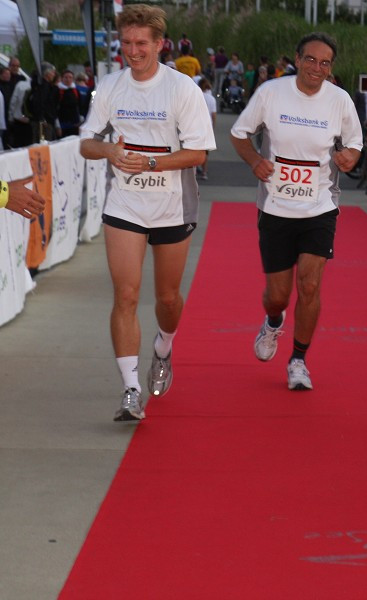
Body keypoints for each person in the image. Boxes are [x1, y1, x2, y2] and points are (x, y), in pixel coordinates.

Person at [79, 4, 216, 422]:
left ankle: (163, 346)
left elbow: (198, 152)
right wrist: (108, 150)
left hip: (173, 206)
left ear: (160, 44)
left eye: (141, 44)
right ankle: (131, 389)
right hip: (125, 204)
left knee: (167, 298)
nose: (133, 51)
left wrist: (152, 163)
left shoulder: (182, 90)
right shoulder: (111, 86)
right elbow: (87, 142)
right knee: (126, 294)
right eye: (126, 43)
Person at [229, 32, 362, 391]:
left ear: (330, 68)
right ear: (297, 59)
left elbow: (354, 144)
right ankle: (273, 322)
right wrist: (256, 160)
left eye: (325, 63)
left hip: (320, 205)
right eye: (310, 60)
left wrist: (350, 157)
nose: (317, 68)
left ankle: (299, 360)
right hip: (275, 206)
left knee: (310, 284)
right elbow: (239, 133)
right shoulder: (271, 93)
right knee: (278, 294)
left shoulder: (339, 100)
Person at [197, 77, 216, 180]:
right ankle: (204, 172)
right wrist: (213, 127)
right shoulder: (211, 99)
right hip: (207, 127)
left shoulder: (197, 96)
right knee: (205, 152)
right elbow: (214, 115)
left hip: (197, 126)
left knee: (194, 149)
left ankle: (194, 171)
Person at [57, 69, 82, 138]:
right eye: (66, 77)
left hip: (75, 124)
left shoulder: (76, 91)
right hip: (62, 123)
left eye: (70, 77)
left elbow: (79, 106)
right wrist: (57, 125)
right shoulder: (58, 90)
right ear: (62, 78)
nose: (68, 79)